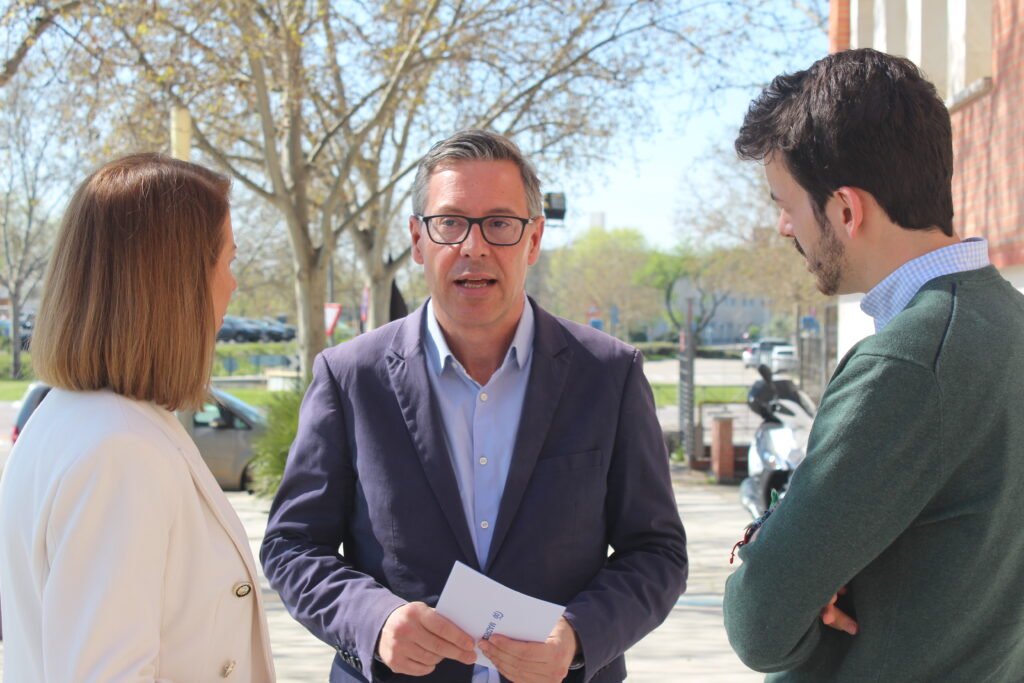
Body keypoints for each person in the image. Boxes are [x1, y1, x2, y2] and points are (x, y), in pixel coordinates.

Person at [261, 129, 687, 683]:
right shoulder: (350, 377)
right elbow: (293, 545)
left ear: (533, 240)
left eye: (500, 224)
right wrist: (375, 621)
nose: (474, 246)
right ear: (418, 240)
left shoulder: (609, 374)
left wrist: (578, 637)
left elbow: (656, 550)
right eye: (451, 222)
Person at [723, 48, 1024, 681]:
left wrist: (780, 556)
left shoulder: (906, 363)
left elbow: (759, 623)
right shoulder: (1008, 321)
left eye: (786, 204)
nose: (783, 227)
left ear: (846, 210)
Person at [0, 153, 275, 682]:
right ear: (175, 281)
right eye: (227, 261)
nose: (233, 284)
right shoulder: (119, 450)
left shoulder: (71, 417)